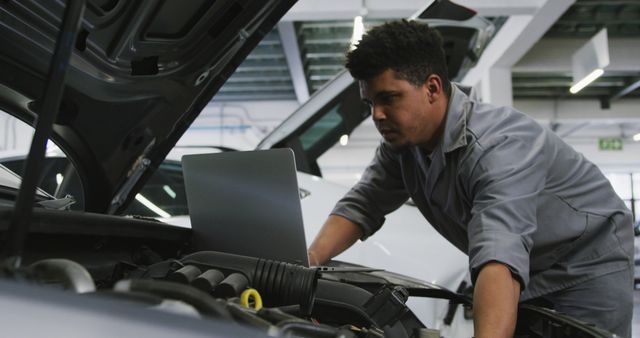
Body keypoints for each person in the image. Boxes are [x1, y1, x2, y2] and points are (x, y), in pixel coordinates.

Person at [307, 20, 634, 338]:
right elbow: (365, 201)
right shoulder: (403, 147)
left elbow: (499, 253)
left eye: (389, 98)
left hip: (585, 266)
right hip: (528, 269)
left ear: (432, 88)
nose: (377, 114)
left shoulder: (497, 146)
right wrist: (308, 261)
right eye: (370, 102)